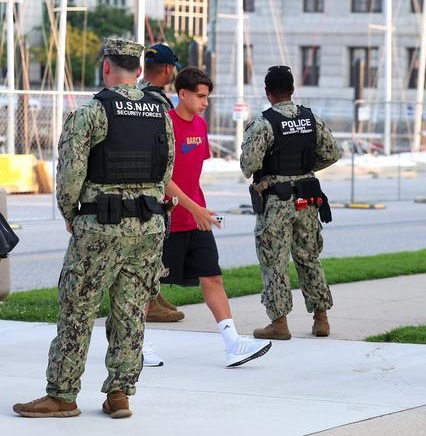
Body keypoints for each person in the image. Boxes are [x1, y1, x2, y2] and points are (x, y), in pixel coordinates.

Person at [13, 37, 175, 419]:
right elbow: (166, 171)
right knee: (131, 311)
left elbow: (69, 175)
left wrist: (71, 213)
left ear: (106, 66)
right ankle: (120, 394)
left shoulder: (91, 112)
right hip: (149, 227)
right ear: (138, 70)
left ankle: (63, 395)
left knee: (77, 310)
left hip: (100, 226)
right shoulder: (159, 113)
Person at [161, 67, 271, 367]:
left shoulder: (199, 124)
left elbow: (192, 174)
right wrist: (192, 207)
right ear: (181, 94)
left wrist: (199, 209)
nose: (204, 102)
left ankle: (233, 343)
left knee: (213, 277)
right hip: (166, 218)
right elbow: (162, 177)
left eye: (207, 97)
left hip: (198, 217)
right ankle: (133, 349)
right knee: (145, 287)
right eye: (200, 96)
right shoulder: (165, 126)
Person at [240, 66, 340, 340]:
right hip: (307, 198)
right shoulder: (311, 119)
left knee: (274, 261)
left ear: (267, 92)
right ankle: (321, 319)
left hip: (277, 201)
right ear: (293, 90)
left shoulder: (263, 124)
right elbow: (333, 153)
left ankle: (279, 323)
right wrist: (305, 169)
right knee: (309, 258)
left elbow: (248, 165)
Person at [138, 43, 184, 324]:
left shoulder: (139, 95)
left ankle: (154, 295)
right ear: (168, 69)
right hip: (155, 183)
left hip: (138, 181)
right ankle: (149, 300)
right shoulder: (160, 102)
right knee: (154, 244)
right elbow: (165, 148)